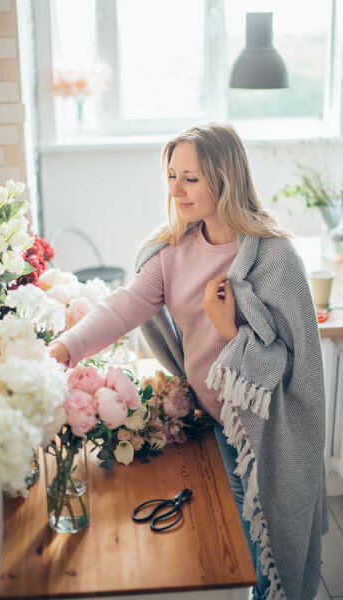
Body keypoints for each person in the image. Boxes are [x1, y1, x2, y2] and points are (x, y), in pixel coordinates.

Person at [49, 122, 328, 600]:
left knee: (269, 561)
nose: (175, 190)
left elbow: (293, 366)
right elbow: (124, 306)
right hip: (212, 422)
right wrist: (62, 349)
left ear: (225, 177)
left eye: (191, 178)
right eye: (172, 176)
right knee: (237, 549)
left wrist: (228, 329)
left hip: (266, 434)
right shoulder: (173, 252)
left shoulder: (276, 259)